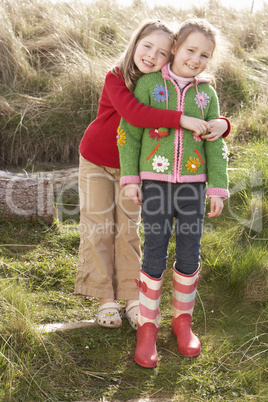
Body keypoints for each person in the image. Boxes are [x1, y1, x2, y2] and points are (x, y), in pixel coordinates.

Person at [75, 19, 230, 331]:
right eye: (146, 46)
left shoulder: (167, 84)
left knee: (128, 229)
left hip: (133, 167)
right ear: (135, 44)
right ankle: (105, 298)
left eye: (160, 51)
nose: (151, 55)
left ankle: (134, 297)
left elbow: (206, 113)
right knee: (98, 226)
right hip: (97, 159)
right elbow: (135, 116)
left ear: (169, 54)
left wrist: (223, 123)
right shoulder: (117, 76)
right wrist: (182, 120)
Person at [118, 18, 229, 366]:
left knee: (189, 251)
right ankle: (147, 326)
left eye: (205, 55)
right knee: (154, 250)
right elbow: (130, 132)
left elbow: (215, 146)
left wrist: (216, 189)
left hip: (194, 188)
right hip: (155, 183)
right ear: (176, 48)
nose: (196, 59)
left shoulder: (206, 94)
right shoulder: (150, 85)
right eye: (191, 50)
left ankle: (182, 321)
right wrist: (132, 179)